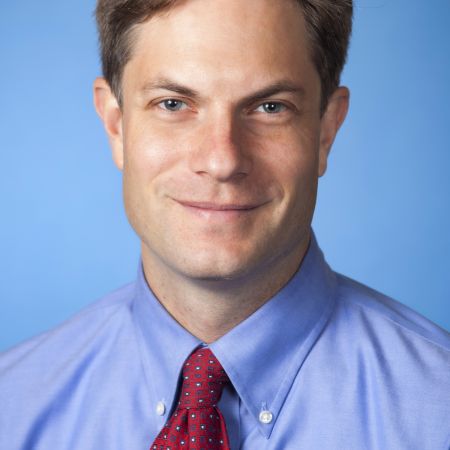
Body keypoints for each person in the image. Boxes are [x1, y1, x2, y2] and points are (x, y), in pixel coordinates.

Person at [0, 0, 449, 448]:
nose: (221, 161)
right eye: (173, 103)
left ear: (326, 130)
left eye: (270, 107)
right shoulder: (13, 406)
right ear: (116, 125)